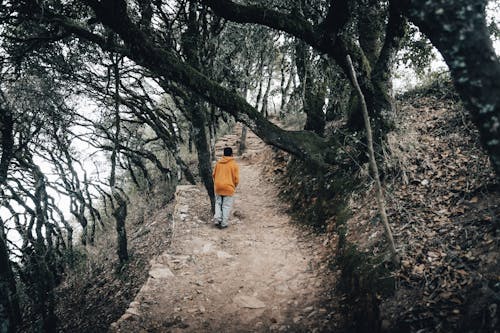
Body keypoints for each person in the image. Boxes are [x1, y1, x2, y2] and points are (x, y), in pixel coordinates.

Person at [212, 147, 239, 229]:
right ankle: (224, 223)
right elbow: (236, 179)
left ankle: (217, 219)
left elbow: (213, 175)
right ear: (232, 154)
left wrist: (217, 183)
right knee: (226, 205)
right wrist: (234, 186)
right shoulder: (234, 164)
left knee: (218, 203)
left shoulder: (218, 163)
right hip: (229, 187)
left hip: (218, 186)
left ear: (223, 154)